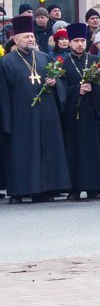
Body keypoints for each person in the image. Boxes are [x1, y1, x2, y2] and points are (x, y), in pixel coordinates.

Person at [0, 13, 70, 202]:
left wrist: (55, 83)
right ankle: (18, 191)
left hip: (46, 115)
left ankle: (45, 190)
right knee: (22, 153)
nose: (30, 39)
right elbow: (3, 94)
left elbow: (59, 83)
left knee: (46, 151)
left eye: (32, 36)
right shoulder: (6, 62)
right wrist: (6, 122)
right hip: (20, 117)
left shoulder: (44, 57)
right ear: (16, 39)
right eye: (26, 36)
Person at [60, 23, 100, 201]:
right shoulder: (63, 63)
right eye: (76, 41)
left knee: (93, 151)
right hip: (73, 115)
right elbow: (59, 89)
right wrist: (76, 90)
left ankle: (94, 188)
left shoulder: (96, 61)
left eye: (82, 40)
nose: (80, 44)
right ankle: (73, 189)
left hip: (92, 114)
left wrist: (93, 87)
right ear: (69, 43)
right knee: (73, 151)